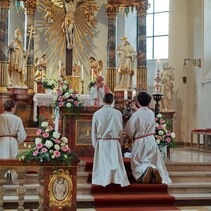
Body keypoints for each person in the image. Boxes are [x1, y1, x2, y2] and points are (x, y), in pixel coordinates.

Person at [124, 92, 172, 184]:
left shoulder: (136, 115)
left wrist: (131, 136)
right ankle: (153, 169)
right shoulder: (151, 113)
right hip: (151, 140)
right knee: (149, 159)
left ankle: (145, 170)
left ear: (138, 101)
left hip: (140, 141)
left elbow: (129, 130)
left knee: (136, 162)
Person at [91, 93, 130, 187]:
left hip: (102, 142)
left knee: (103, 163)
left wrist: (95, 144)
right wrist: (120, 141)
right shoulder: (117, 113)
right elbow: (121, 129)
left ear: (103, 101)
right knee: (114, 162)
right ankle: (116, 179)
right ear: (112, 101)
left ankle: (103, 179)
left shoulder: (97, 113)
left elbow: (94, 131)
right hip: (114, 141)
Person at [0, 99, 27, 184]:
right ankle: (12, 180)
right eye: (15, 107)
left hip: (2, 141)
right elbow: (22, 135)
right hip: (13, 141)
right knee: (13, 160)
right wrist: (16, 141)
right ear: (12, 108)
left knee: (2, 159)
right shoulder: (17, 119)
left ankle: (2, 179)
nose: (15, 109)